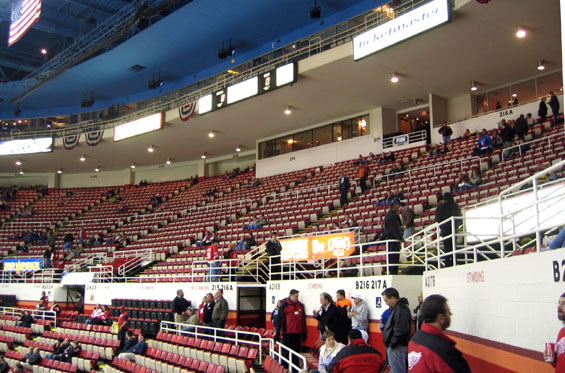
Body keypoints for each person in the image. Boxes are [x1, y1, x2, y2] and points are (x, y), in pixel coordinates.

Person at [408, 294, 470, 372]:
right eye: (448, 311)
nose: (450, 314)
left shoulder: (414, 340)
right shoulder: (444, 350)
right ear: (441, 318)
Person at [381, 287, 411, 373]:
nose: (386, 303)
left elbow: (400, 329)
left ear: (393, 298)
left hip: (397, 346)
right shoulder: (397, 309)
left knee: (396, 370)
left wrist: (392, 343)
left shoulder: (401, 309)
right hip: (395, 345)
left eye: (386, 300)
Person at [275, 289, 307, 369]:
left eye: (298, 296)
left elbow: (303, 320)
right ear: (291, 295)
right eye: (296, 296)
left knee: (296, 353)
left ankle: (295, 369)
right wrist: (277, 334)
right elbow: (279, 320)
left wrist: (304, 332)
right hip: (287, 333)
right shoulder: (284, 305)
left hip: (298, 333)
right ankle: (284, 369)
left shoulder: (300, 305)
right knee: (286, 353)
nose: (297, 298)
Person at [435, 193, 462, 267]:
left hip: (445, 230)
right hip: (453, 229)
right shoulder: (456, 206)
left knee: (447, 249)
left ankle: (448, 264)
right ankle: (454, 263)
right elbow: (459, 217)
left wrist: (442, 225)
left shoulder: (440, 207)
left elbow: (437, 219)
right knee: (454, 248)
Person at [383, 200, 403, 275]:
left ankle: (393, 271)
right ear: (394, 206)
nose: (398, 208)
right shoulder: (392, 216)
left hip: (390, 239)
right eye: (397, 206)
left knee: (392, 256)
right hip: (393, 239)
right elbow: (394, 228)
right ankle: (393, 272)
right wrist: (400, 237)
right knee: (394, 257)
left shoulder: (389, 215)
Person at [546, 292, 565, 370]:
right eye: (559, 303)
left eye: (563, 304)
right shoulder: (562, 332)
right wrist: (552, 359)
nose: (558, 307)